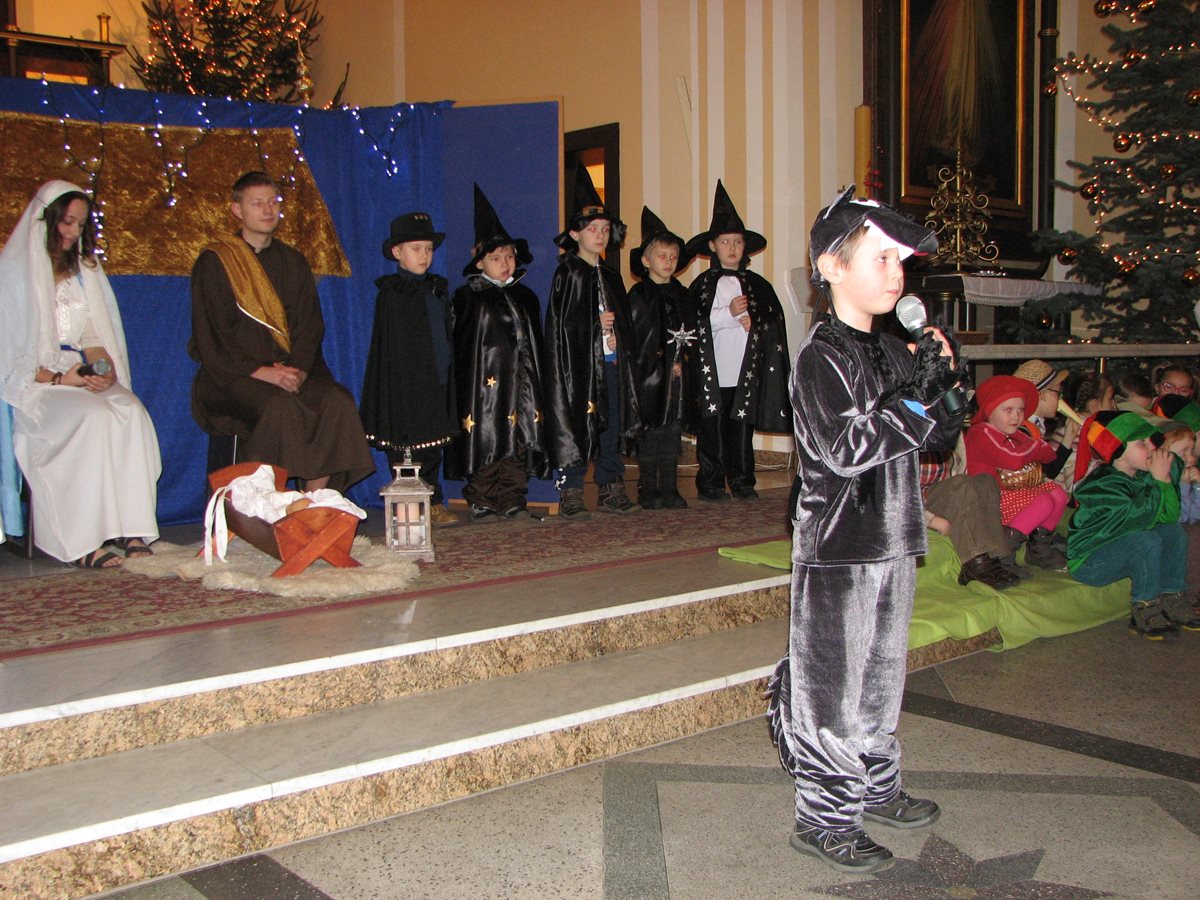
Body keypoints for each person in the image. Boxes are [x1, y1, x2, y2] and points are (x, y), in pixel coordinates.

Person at [767, 187, 961, 875]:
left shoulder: (895, 351)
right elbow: (847, 448)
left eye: (900, 262)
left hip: (895, 537)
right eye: (881, 258)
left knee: (880, 680)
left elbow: (936, 440)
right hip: (840, 545)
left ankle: (875, 785)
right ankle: (824, 819)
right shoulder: (820, 357)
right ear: (831, 266)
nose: (896, 273)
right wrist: (915, 401)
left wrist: (945, 387)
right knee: (831, 688)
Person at [0, 180, 161, 567]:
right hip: (36, 390)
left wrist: (102, 372)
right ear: (46, 220)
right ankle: (82, 541)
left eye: (81, 224)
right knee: (92, 417)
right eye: (67, 222)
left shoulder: (84, 272)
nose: (73, 232)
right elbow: (9, 359)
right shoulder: (13, 274)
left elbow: (93, 338)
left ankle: (131, 528)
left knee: (131, 412)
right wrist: (59, 380)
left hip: (77, 374)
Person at [190, 171, 373, 494]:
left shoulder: (293, 261)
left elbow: (310, 325)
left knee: (336, 401)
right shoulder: (216, 262)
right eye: (257, 203)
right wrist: (261, 372)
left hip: (291, 371)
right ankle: (261, 502)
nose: (267, 210)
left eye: (273, 202)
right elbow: (212, 335)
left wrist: (298, 370)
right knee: (281, 407)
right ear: (237, 210)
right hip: (233, 376)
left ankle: (313, 501)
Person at [444, 185, 548, 523]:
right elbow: (462, 346)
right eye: (496, 258)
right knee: (486, 437)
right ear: (479, 262)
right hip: (483, 389)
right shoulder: (468, 297)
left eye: (509, 257)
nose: (505, 263)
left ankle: (513, 497)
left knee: (517, 438)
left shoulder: (526, 297)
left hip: (521, 384)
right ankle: (482, 497)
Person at [542, 166, 640, 518]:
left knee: (610, 425)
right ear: (575, 234)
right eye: (592, 229)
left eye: (604, 229)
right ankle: (571, 489)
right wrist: (593, 326)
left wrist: (616, 336)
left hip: (611, 363)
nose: (600, 235)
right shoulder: (567, 273)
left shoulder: (611, 276)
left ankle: (610, 484)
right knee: (575, 423)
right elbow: (561, 327)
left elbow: (625, 323)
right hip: (579, 369)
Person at [684, 180, 791, 501]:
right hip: (713, 372)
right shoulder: (702, 286)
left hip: (745, 373)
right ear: (713, 246)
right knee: (712, 428)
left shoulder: (759, 286)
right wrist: (728, 314)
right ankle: (711, 483)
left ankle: (743, 480)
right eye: (725, 242)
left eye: (737, 242)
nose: (732, 248)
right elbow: (693, 326)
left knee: (742, 428)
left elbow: (773, 325)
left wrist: (755, 325)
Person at [360, 210, 460, 527]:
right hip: (404, 384)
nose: (424, 255)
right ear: (397, 252)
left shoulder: (438, 289)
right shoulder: (392, 294)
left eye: (428, 249)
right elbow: (388, 347)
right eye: (416, 249)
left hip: (436, 379)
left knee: (433, 444)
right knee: (406, 447)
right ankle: (410, 505)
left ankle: (433, 501)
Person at [1068, 411, 1200, 638]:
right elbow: (1136, 519)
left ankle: (1173, 597)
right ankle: (1145, 607)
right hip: (1091, 563)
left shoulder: (1143, 477)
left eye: (1151, 441)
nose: (1152, 448)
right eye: (1142, 443)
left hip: (1124, 551)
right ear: (1118, 452)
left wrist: (1165, 482)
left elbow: (1169, 517)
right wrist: (1159, 481)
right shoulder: (1102, 484)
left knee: (1173, 532)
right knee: (1144, 539)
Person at [627, 207, 694, 509]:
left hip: (676, 378)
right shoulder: (638, 296)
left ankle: (670, 487)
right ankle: (648, 487)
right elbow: (637, 337)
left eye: (673, 257)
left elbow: (691, 334)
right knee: (650, 432)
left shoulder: (682, 295)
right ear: (646, 260)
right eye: (661, 256)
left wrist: (683, 362)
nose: (668, 262)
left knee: (672, 432)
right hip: (648, 378)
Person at [965, 376, 1069, 570]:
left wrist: (1035, 449)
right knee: (1043, 501)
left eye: (1020, 410)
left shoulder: (1011, 433)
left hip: (1009, 491)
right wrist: (1036, 449)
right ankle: (1003, 552)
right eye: (1008, 410)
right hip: (988, 498)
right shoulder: (982, 432)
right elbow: (1013, 459)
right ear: (990, 410)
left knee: (1058, 494)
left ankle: (1039, 547)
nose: (1016, 416)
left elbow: (1048, 454)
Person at [1012, 359, 1076, 480]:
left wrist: (1069, 436)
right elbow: (1046, 472)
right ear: (1041, 394)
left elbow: (1049, 470)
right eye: (1057, 393)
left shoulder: (1033, 426)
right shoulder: (1023, 431)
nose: (1059, 399)